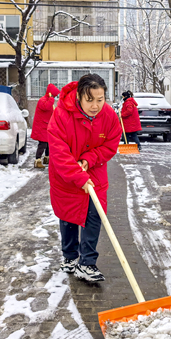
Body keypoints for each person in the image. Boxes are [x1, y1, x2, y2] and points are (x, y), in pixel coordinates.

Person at [47, 73, 122, 282]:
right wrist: (77, 174)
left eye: (100, 99)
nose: (96, 105)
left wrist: (90, 159)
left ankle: (87, 263)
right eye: (90, 100)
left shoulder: (108, 116)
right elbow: (58, 151)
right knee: (69, 215)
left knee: (94, 215)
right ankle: (70, 257)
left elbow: (111, 143)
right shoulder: (61, 114)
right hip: (66, 174)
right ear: (79, 96)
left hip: (95, 172)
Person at [31, 83, 60, 169]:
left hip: (46, 126)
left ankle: (47, 158)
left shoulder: (48, 100)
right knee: (42, 144)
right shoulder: (43, 100)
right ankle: (37, 160)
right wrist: (51, 99)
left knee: (48, 143)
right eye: (54, 96)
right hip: (41, 126)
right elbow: (46, 107)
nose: (54, 98)